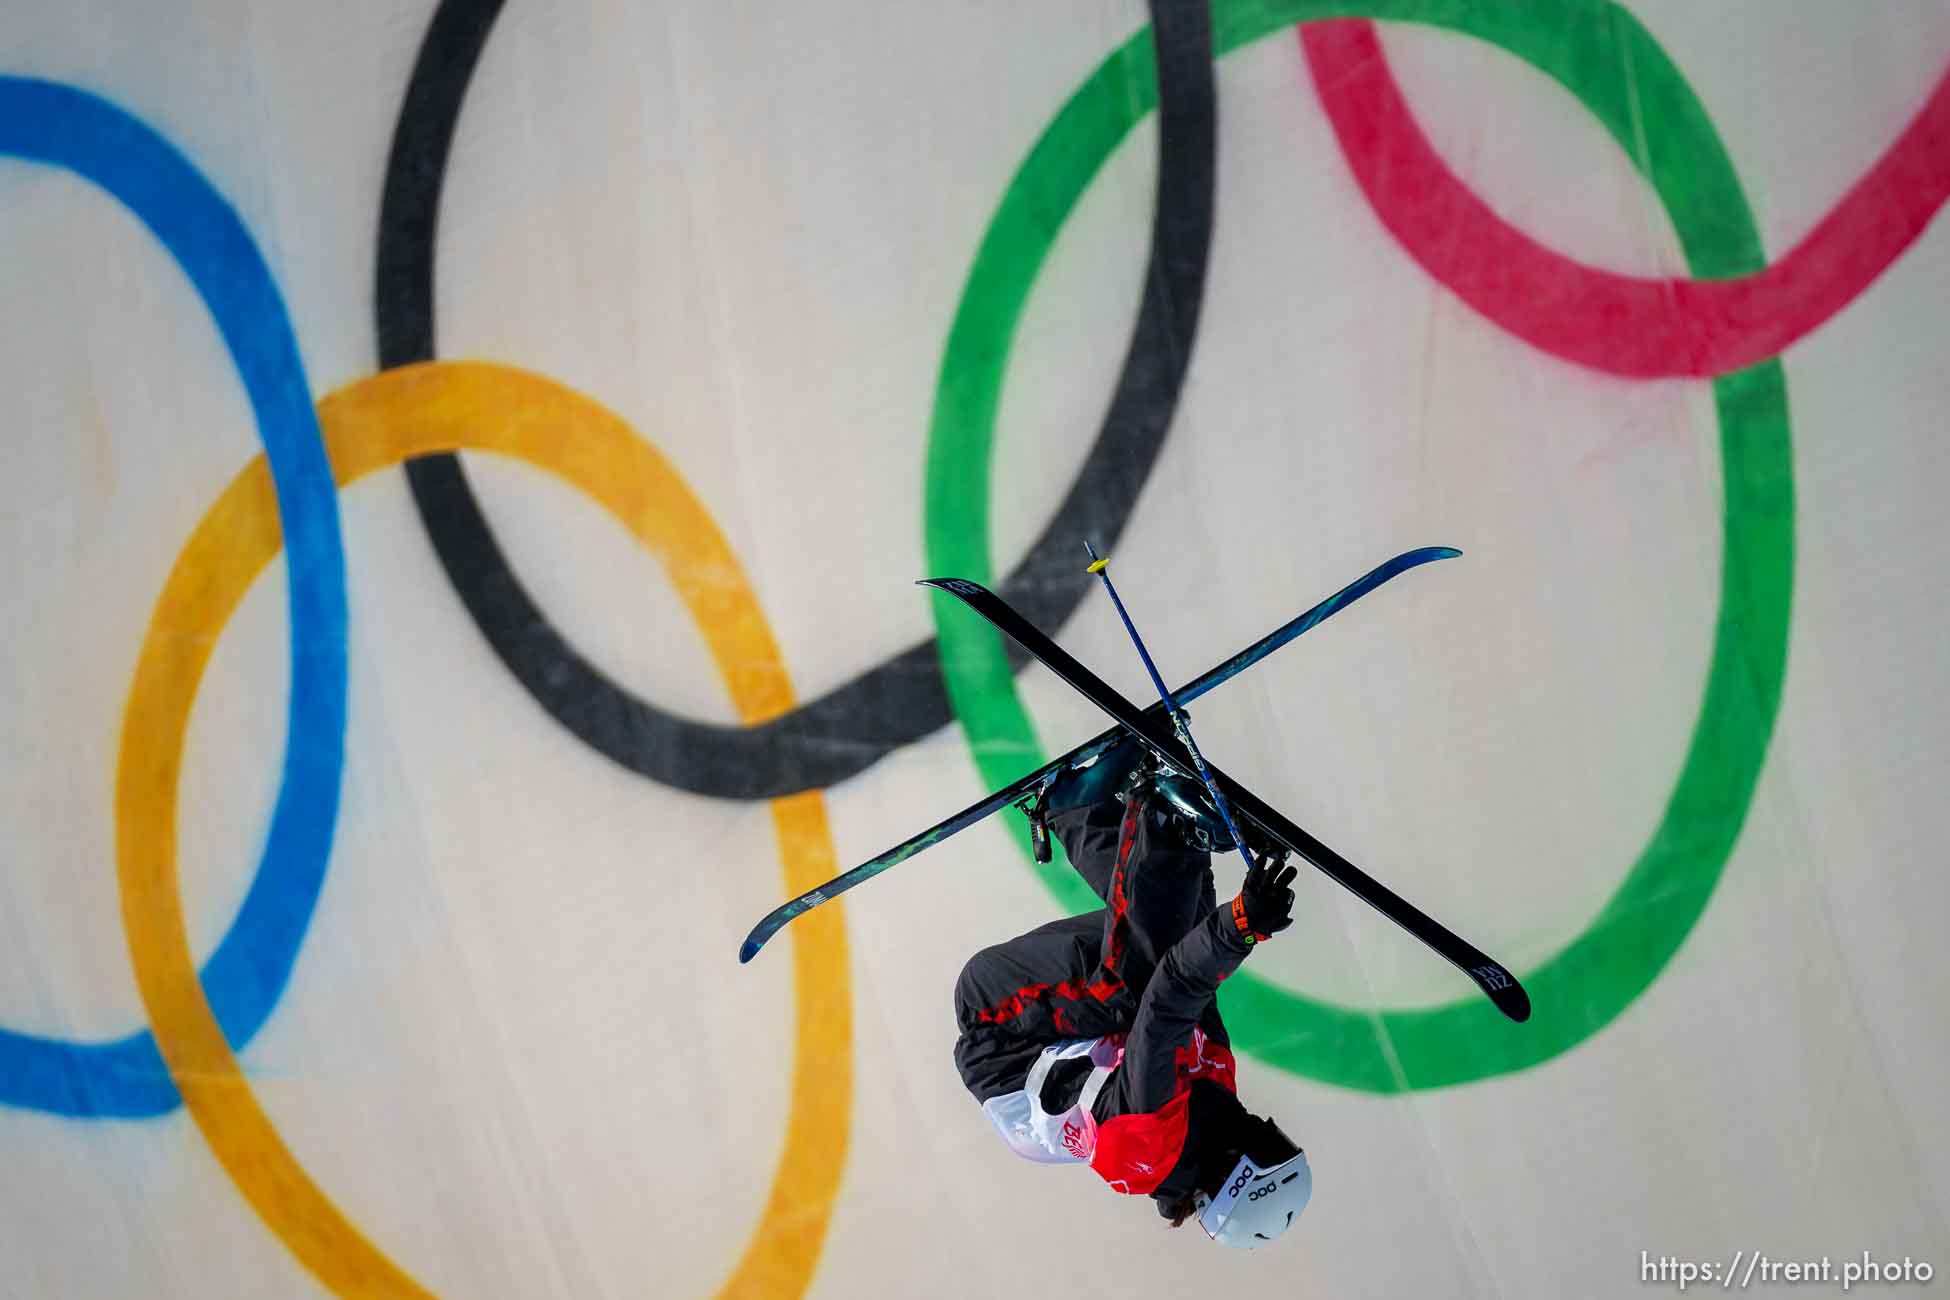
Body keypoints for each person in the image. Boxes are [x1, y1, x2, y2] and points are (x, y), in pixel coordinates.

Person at [952, 736, 1313, 1246]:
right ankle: (1084, 810)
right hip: (1067, 1028)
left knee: (1134, 985)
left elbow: (1166, 1003)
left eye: (1268, 1144)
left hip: (1002, 1029)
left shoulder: (1152, 1137)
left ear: (1236, 1173)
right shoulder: (1214, 1102)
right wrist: (1233, 900)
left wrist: (1241, 926)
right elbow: (1193, 975)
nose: (1264, 1123)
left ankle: (1160, 818)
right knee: (1163, 940)